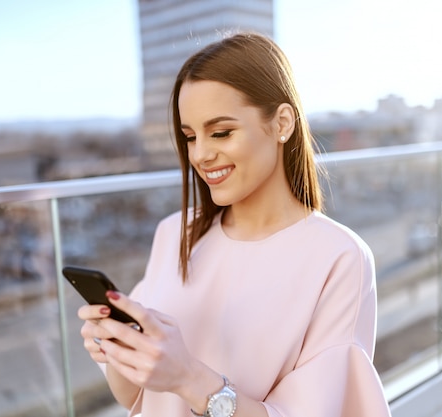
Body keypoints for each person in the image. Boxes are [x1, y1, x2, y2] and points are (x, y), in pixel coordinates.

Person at [78, 32, 391, 417]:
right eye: (190, 136)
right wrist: (119, 353)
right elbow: (140, 401)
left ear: (282, 123)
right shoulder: (175, 233)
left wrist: (188, 378)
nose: (201, 154)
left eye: (221, 132)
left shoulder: (340, 258)